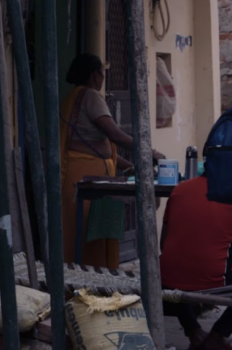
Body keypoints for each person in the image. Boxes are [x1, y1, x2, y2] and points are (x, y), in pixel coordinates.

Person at [60, 53, 164, 269]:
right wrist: (148, 151)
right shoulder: (90, 96)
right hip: (87, 177)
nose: (103, 77)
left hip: (83, 171)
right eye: (102, 72)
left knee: (87, 234)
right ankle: (89, 284)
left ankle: (86, 281)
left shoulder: (73, 96)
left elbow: (100, 149)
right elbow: (114, 135)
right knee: (90, 235)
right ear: (94, 74)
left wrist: (129, 166)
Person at [160, 173, 232, 350]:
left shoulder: (180, 189)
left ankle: (193, 332)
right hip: (213, 281)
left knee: (179, 266)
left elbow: (163, 243)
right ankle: (218, 335)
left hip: (167, 278)